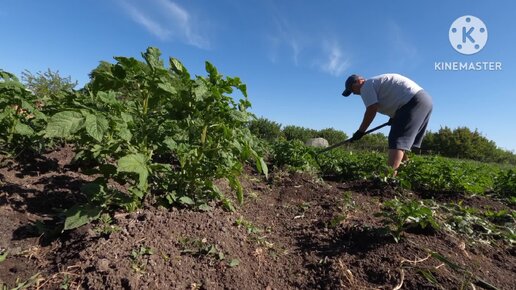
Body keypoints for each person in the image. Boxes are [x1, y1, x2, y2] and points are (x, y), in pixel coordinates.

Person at [342, 73, 433, 172]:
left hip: (412, 102)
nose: (354, 93)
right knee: (403, 145)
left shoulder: (366, 86)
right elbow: (395, 96)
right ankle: (407, 172)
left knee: (397, 140)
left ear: (358, 81)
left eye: (352, 90)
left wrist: (361, 131)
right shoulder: (375, 83)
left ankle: (388, 178)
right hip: (423, 100)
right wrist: (394, 117)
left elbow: (372, 109)